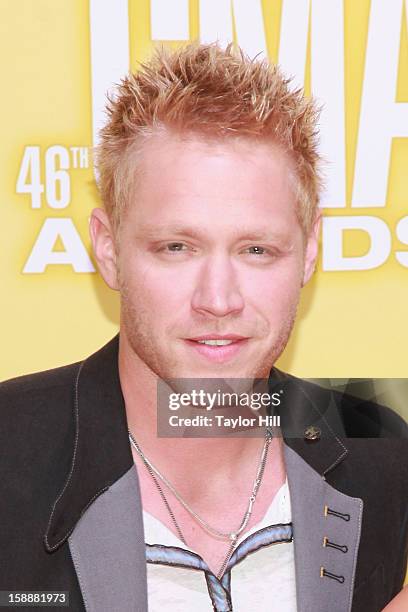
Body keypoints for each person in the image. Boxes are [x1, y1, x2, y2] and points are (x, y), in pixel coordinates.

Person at [1, 43, 407, 612]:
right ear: (109, 249)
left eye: (257, 249)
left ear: (310, 251)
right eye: (176, 247)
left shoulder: (378, 445)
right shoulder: (8, 445)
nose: (218, 299)